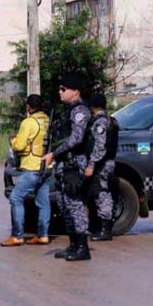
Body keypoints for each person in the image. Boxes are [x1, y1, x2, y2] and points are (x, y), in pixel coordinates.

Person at [42, 75, 93, 262]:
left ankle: (83, 247)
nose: (60, 92)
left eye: (64, 89)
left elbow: (77, 138)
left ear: (75, 91)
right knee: (64, 205)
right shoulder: (67, 111)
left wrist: (54, 154)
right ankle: (73, 244)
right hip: (65, 164)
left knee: (75, 205)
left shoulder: (80, 111)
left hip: (75, 163)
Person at [1, 94, 52, 247]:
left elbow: (20, 145)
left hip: (32, 167)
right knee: (43, 202)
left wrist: (13, 140)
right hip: (46, 167)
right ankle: (43, 235)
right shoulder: (47, 120)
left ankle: (17, 236)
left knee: (16, 198)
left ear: (29, 107)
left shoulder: (28, 122)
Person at [85, 92, 118, 242]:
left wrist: (92, 164)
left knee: (102, 194)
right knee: (98, 192)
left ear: (93, 106)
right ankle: (99, 227)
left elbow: (100, 146)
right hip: (104, 162)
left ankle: (105, 230)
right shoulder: (109, 120)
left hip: (102, 163)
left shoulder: (100, 123)